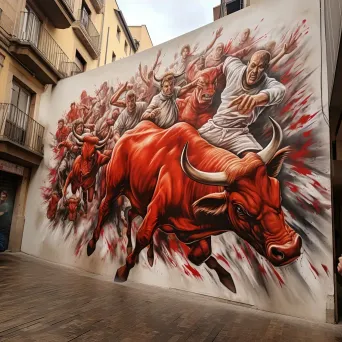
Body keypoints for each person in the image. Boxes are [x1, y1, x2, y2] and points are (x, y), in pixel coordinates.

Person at [198, 50, 286, 155]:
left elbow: (280, 91)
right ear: (248, 64)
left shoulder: (268, 84)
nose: (254, 71)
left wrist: (257, 99)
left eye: (260, 67)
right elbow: (226, 62)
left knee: (257, 163)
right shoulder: (235, 68)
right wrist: (210, 75)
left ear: (266, 68)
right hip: (214, 127)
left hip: (238, 134)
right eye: (253, 65)